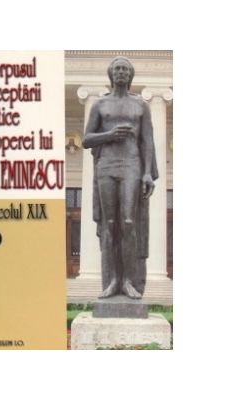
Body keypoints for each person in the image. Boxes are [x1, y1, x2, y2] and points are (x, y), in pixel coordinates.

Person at [83, 56, 158, 299]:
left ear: (131, 75)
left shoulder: (141, 105)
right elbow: (86, 140)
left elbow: (147, 141)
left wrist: (147, 172)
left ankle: (128, 281)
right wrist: (109, 135)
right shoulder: (100, 105)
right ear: (111, 74)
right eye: (117, 69)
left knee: (128, 222)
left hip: (132, 165)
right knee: (110, 224)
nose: (122, 72)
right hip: (107, 165)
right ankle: (112, 280)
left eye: (125, 69)